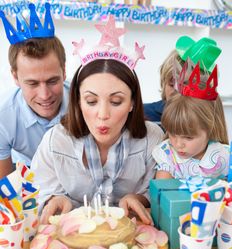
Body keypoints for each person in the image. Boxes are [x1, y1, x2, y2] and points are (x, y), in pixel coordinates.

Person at [31, 16, 164, 225]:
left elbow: (159, 194)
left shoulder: (154, 140)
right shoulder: (55, 142)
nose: (103, 114)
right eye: (91, 101)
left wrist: (138, 199)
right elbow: (39, 192)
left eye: (117, 101)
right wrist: (54, 200)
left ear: (132, 103)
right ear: (78, 101)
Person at [0, 3, 69, 179]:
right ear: (15, 77)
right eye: (32, 83)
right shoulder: (3, 116)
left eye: (52, 81)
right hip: (25, 171)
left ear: (64, 71)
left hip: (73, 170)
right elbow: (4, 191)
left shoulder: (86, 101)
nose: (45, 95)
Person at [152, 59, 229, 180]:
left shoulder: (224, 156)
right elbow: (162, 192)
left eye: (188, 137)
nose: (178, 144)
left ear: (210, 129)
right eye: (172, 134)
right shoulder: (167, 155)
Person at [143, 36, 222, 124]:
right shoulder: (145, 114)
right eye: (171, 84)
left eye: (185, 85)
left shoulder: (208, 120)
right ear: (163, 83)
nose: (177, 90)